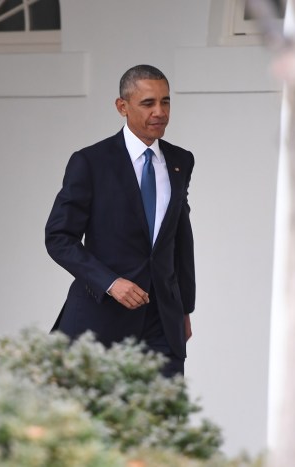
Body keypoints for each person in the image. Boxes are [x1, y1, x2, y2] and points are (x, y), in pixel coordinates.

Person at [45, 64, 195, 377]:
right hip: (102, 323)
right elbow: (59, 237)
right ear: (122, 106)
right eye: (148, 103)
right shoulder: (90, 162)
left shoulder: (181, 161)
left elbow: (179, 238)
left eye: (165, 102)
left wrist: (184, 309)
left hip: (162, 325)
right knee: (100, 423)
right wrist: (111, 283)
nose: (160, 112)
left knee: (163, 420)